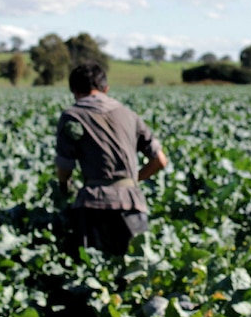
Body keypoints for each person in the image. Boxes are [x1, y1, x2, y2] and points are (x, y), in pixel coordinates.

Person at [55, 62, 168, 257]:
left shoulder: (72, 115)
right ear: (106, 89)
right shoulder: (129, 114)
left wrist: (64, 186)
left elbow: (65, 166)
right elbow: (160, 160)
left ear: (74, 90)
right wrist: (131, 182)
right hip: (131, 204)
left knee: (93, 273)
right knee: (136, 273)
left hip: (92, 204)